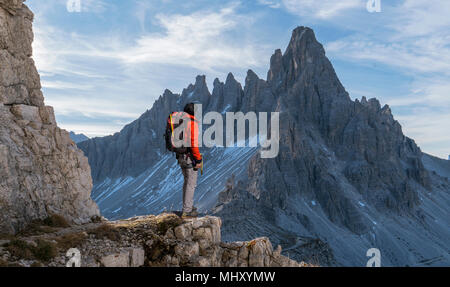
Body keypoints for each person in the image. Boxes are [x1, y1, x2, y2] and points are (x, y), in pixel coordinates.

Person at [177, 103, 202, 218]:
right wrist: (198, 159)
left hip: (181, 156)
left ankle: (187, 207)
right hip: (189, 157)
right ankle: (187, 211)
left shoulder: (180, 122)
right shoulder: (192, 123)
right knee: (191, 183)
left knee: (187, 182)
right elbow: (193, 143)